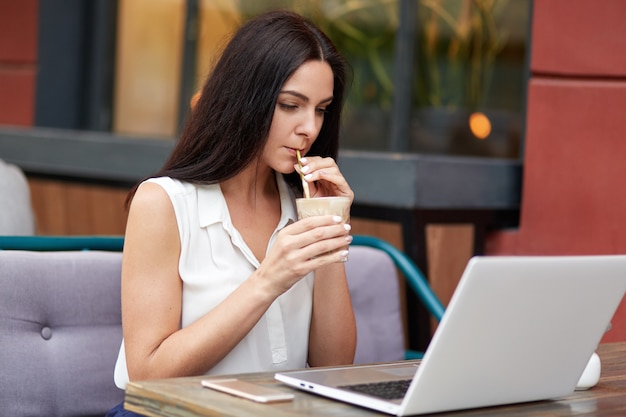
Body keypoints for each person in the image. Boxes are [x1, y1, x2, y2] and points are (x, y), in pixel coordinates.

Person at [106, 10, 356, 416]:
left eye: (321, 109)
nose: (309, 127)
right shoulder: (164, 202)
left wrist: (329, 222)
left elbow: (334, 366)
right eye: (291, 105)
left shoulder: (301, 205)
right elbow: (147, 374)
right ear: (244, 99)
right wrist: (269, 279)